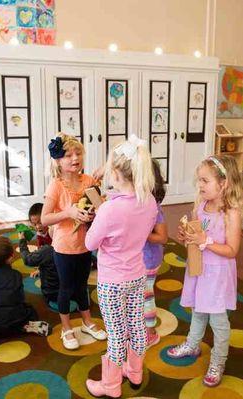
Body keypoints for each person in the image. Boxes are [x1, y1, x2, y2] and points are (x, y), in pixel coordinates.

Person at [84, 135, 157, 398]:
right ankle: (134, 372)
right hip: (137, 275)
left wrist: (100, 217)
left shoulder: (108, 210)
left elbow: (91, 242)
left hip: (112, 283)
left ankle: (110, 386)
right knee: (137, 327)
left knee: (116, 335)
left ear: (114, 173)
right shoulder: (149, 200)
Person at [168, 155, 243, 388]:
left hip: (218, 275)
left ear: (224, 183)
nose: (199, 185)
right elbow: (196, 236)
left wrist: (205, 240)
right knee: (198, 311)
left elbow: (232, 250)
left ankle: (219, 361)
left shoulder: (231, 213)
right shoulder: (200, 206)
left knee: (219, 321)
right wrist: (187, 236)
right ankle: (192, 344)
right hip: (199, 268)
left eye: (205, 181)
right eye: (198, 180)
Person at [40, 133, 107, 350]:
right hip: (64, 247)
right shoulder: (55, 186)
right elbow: (44, 219)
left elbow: (99, 207)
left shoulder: (89, 181)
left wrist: (94, 213)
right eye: (68, 155)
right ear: (58, 160)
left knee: (82, 285)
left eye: (78, 153)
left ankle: (87, 322)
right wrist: (68, 212)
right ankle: (67, 328)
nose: (75, 158)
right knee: (66, 288)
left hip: (86, 244)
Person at [142, 160, 168, 348]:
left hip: (149, 260)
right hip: (138, 259)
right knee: (139, 297)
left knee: (146, 298)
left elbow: (162, 237)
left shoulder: (154, 207)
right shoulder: (138, 204)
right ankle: (140, 328)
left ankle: (151, 333)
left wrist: (142, 232)